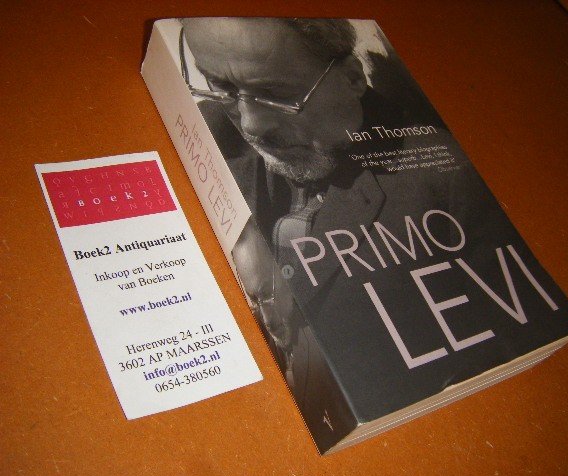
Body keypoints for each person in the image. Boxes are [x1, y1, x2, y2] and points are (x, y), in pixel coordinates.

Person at [179, 17, 506, 449]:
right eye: (220, 87)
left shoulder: (446, 180)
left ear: (352, 78)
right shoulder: (208, 131)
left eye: (277, 95)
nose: (251, 125)